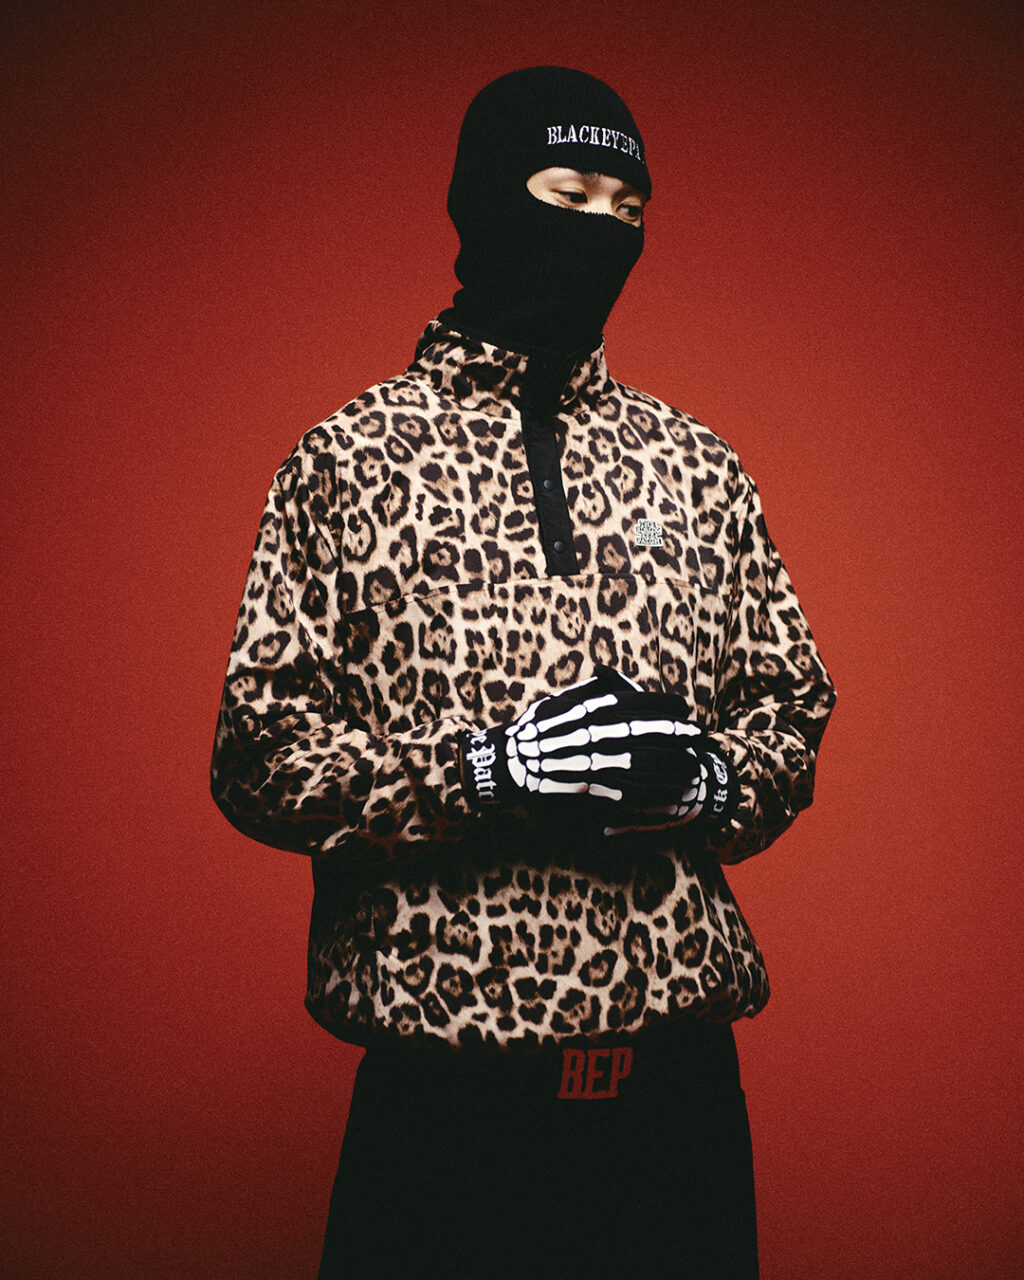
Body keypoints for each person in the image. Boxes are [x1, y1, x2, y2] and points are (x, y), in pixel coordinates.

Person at [211, 66, 835, 1279]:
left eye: (628, 208)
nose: (602, 228)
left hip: (675, 1098)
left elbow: (788, 702)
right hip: (447, 1102)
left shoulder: (697, 466)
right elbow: (258, 753)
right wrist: (480, 775)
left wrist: (712, 783)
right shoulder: (350, 460)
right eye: (569, 193)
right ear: (488, 200)